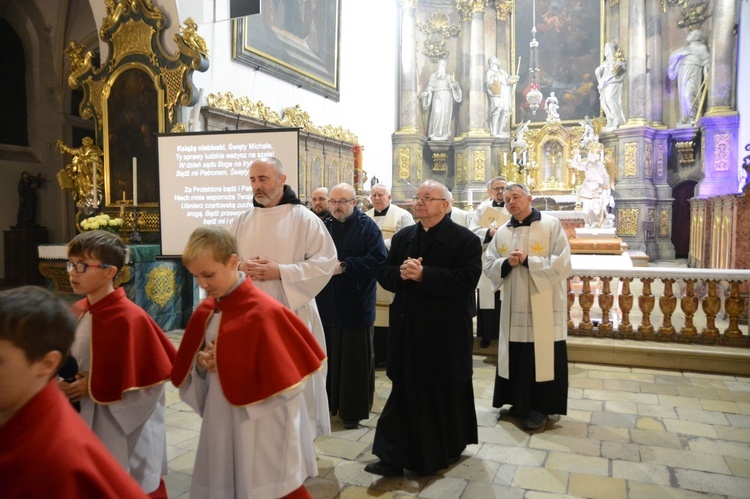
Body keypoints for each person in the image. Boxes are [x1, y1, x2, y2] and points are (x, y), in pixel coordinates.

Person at [172, 226, 325, 499]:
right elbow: (194, 365)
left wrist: (230, 362)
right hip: (220, 414)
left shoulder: (264, 312)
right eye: (196, 276)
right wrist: (201, 362)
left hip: (259, 423)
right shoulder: (208, 309)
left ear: (232, 262)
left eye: (208, 275)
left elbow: (288, 385)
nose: (203, 284)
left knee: (258, 484)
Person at [366, 180, 481, 477]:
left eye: (426, 198)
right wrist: (401, 274)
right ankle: (391, 455)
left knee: (439, 391)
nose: (418, 202)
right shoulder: (405, 237)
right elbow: (384, 272)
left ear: (445, 205)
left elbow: (467, 281)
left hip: (444, 332)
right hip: (406, 328)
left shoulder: (465, 240)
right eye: (418, 197)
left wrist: (425, 275)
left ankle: (442, 448)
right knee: (403, 390)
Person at [0, 286, 148, 499]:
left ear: (47, 364)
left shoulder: (60, 460)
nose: (74, 272)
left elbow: (139, 372)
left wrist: (95, 384)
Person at [59, 230, 176, 497]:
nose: (72, 272)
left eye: (82, 266)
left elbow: (150, 385)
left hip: (122, 427)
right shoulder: (77, 311)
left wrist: (94, 385)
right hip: (82, 417)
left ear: (110, 271)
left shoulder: (131, 319)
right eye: (70, 264)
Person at [231, 156, 338, 437]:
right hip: (249, 316)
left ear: (282, 179)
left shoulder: (304, 219)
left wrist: (282, 271)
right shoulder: (242, 220)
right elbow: (225, 261)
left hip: (291, 312)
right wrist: (241, 266)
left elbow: (326, 263)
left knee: (292, 381)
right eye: (253, 180)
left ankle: (298, 438)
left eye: (263, 179)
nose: (257, 186)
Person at [483, 183, 572, 431]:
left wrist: (527, 262)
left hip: (544, 300)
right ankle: (518, 403)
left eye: (516, 197)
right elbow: (489, 263)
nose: (511, 201)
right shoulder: (502, 231)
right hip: (514, 302)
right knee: (517, 352)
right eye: (507, 198)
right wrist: (505, 263)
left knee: (542, 353)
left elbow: (563, 262)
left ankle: (541, 407)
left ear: (529, 198)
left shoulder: (550, 224)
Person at [317, 183, 387, 429]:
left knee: (354, 362)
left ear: (354, 202)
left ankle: (352, 412)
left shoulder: (367, 227)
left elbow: (379, 260)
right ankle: (328, 405)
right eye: (333, 202)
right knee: (329, 358)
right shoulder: (323, 227)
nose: (337, 207)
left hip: (356, 305)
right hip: (327, 305)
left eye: (343, 201)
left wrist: (346, 266)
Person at [365, 183, 415, 367]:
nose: (377, 198)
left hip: (392, 269)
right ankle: (374, 354)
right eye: (374, 195)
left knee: (389, 315)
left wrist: (381, 245)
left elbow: (407, 242)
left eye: (381, 194)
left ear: (390, 197)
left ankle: (388, 355)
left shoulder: (402, 215)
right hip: (370, 271)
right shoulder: (365, 217)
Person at [469, 177, 509, 349]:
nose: (500, 191)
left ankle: (504, 334)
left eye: (503, 188)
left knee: (506, 296)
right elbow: (473, 232)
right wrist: (489, 232)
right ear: (490, 191)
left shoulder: (514, 206)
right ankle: (486, 335)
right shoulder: (484, 209)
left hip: (508, 257)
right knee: (487, 296)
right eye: (497, 188)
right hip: (488, 256)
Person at [668, 29, 709, 124]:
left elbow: (707, 61)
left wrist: (707, 72)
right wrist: (680, 54)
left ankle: (693, 117)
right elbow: (673, 56)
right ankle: (685, 118)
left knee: (688, 95)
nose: (690, 34)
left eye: (693, 33)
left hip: (693, 71)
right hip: (683, 72)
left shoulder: (702, 48)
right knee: (682, 96)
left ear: (697, 37)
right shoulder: (684, 49)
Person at [55, 136, 103, 213]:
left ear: (90, 142)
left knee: (91, 184)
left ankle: (91, 200)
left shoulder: (94, 149)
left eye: (86, 141)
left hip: (91, 172)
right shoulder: (81, 149)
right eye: (83, 141)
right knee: (79, 182)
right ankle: (84, 198)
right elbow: (72, 151)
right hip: (82, 172)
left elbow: (94, 158)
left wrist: (81, 158)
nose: (84, 143)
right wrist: (63, 146)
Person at [421, 59, 462, 140]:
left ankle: (443, 133)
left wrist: (453, 85)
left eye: (443, 65)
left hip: (447, 97)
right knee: (437, 111)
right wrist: (427, 93)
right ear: (438, 66)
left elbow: (455, 86)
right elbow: (430, 87)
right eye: (440, 64)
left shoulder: (449, 76)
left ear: (445, 66)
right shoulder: (434, 76)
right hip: (437, 95)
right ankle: (434, 132)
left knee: (445, 114)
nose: (441, 66)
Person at [577, 143, 611, 228]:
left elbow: (606, 176)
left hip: (597, 188)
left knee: (597, 208)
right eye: (593, 154)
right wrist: (575, 155)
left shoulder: (600, 165)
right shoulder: (586, 164)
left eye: (596, 154)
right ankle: (587, 223)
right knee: (585, 209)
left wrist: (606, 186)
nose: (594, 156)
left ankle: (597, 224)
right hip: (587, 188)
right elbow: (576, 166)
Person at [596, 42, 627, 129]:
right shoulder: (605, 63)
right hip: (604, 83)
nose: (606, 52)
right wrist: (599, 70)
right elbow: (598, 72)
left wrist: (619, 65)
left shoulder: (616, 60)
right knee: (604, 102)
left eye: (607, 50)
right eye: (605, 50)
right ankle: (611, 120)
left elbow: (623, 66)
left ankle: (617, 118)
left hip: (612, 81)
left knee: (609, 99)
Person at [486, 56, 519, 136]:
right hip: (497, 92)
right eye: (496, 59)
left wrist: (514, 79)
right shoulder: (490, 72)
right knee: (497, 109)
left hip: (505, 91)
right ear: (492, 62)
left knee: (505, 111)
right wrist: (494, 79)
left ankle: (500, 131)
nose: (498, 60)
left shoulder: (502, 71)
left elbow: (508, 80)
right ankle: (494, 131)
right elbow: (488, 83)